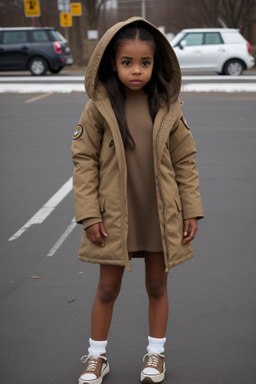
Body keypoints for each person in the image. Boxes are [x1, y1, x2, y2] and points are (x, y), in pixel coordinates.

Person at [72, 16, 204, 384]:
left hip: (159, 215)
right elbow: (83, 162)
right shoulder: (98, 108)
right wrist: (89, 214)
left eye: (144, 63)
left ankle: (155, 354)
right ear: (112, 63)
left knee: (157, 286)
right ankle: (97, 357)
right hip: (112, 215)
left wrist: (190, 209)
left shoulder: (168, 107)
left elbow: (185, 161)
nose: (136, 71)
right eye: (127, 62)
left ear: (155, 63)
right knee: (107, 288)